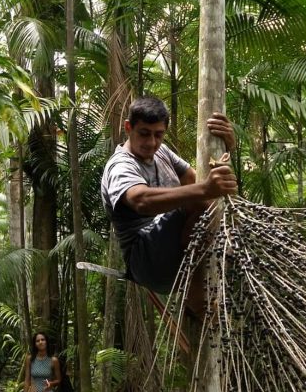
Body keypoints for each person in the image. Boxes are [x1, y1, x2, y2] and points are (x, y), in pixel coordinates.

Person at [100, 96, 238, 294]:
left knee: (207, 204)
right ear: (128, 127)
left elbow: (196, 182)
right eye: (144, 134)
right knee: (196, 201)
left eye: (158, 135)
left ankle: (205, 287)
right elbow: (141, 200)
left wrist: (227, 147)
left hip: (176, 257)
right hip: (147, 261)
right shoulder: (120, 165)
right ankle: (197, 300)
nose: (152, 142)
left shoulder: (162, 152)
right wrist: (206, 189)